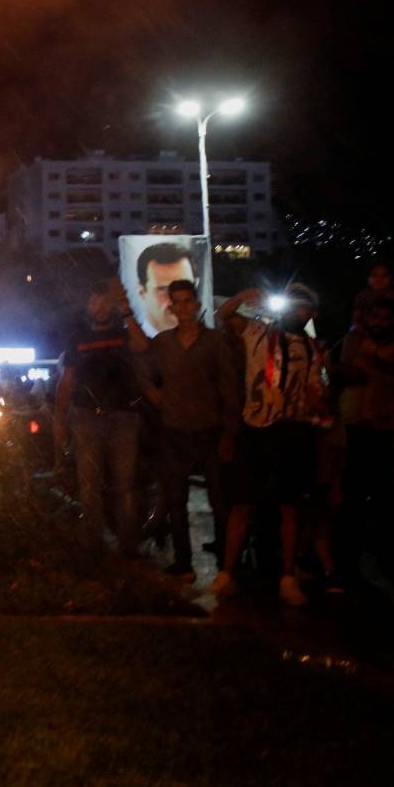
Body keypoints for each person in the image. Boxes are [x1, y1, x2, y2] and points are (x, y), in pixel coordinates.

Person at [212, 283, 331, 606]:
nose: (295, 310)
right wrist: (240, 297)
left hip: (293, 432)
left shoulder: (314, 348)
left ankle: (287, 577)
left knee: (290, 506)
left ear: (312, 313)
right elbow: (223, 317)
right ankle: (227, 573)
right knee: (242, 503)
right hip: (257, 431)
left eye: (302, 306)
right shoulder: (258, 333)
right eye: (291, 304)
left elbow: (315, 394)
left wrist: (318, 404)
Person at [145, 279, 240, 580]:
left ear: (197, 305)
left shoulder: (215, 342)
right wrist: (153, 394)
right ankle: (184, 562)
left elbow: (229, 388)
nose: (184, 307)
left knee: (220, 500)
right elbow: (145, 372)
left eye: (188, 301)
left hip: (209, 429)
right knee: (176, 501)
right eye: (178, 302)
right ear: (171, 307)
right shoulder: (162, 343)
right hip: (174, 431)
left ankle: (227, 564)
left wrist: (229, 433)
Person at [53, 277, 150, 556]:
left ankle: (128, 547)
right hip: (86, 418)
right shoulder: (78, 340)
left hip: (122, 417)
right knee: (89, 487)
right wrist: (60, 418)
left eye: (104, 300)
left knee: (125, 485)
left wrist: (127, 311)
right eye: (94, 301)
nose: (100, 306)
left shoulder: (123, 333)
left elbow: (142, 347)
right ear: (87, 306)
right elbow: (67, 380)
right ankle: (93, 546)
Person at [337, 296, 394, 584]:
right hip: (356, 426)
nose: (379, 322)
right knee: (351, 499)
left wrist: (376, 365)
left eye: (385, 318)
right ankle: (347, 564)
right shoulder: (354, 339)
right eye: (375, 317)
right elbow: (345, 369)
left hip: (388, 430)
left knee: (389, 500)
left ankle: (391, 563)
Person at [134, 242, 198, 336]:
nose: (177, 300)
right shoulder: (128, 343)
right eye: (164, 290)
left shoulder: (210, 340)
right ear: (142, 291)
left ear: (196, 285)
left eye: (185, 287)